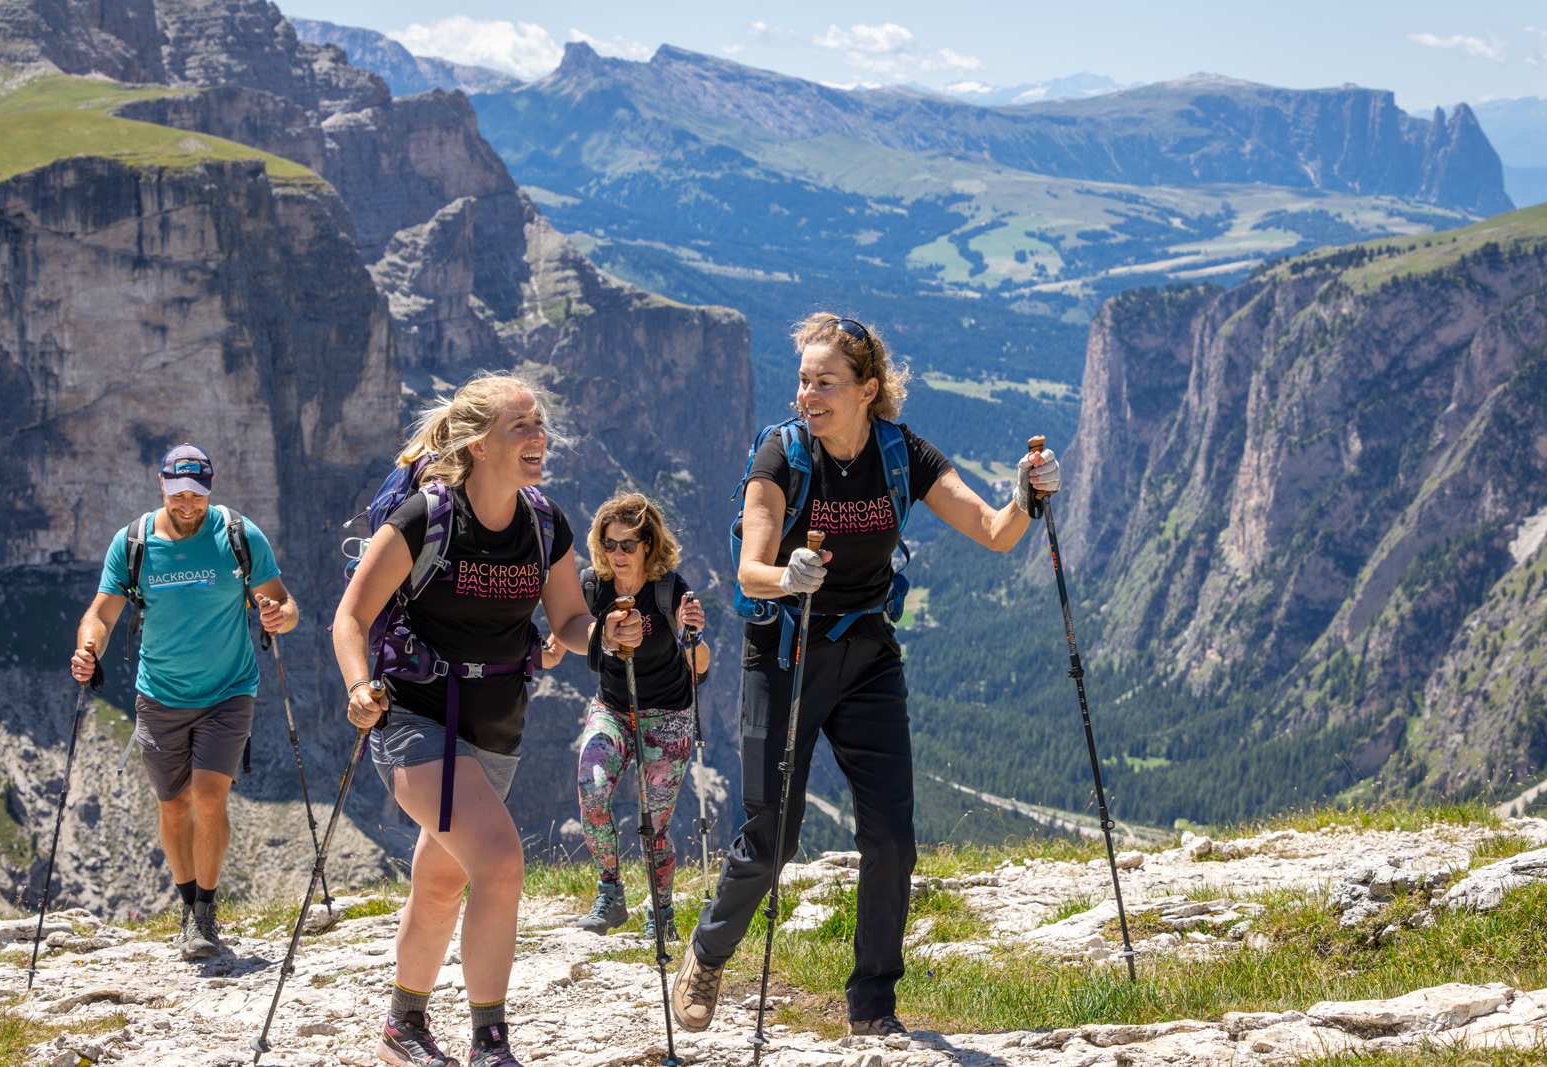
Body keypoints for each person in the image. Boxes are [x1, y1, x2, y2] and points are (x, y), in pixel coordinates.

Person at [670, 313, 1061, 1037]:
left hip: (867, 656)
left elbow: (995, 531)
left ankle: (872, 1005)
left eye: (824, 383)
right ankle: (707, 951)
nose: (807, 395)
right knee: (771, 838)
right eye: (803, 381)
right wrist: (789, 575)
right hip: (783, 655)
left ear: (867, 389)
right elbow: (748, 571)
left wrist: (1028, 494)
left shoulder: (900, 453)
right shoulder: (780, 456)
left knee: (891, 837)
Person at [332, 372, 644, 1067]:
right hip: (413, 716)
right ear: (478, 444)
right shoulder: (424, 517)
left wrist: (605, 635)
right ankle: (490, 1044)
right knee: (500, 862)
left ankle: (401, 1027)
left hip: (498, 724)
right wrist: (359, 686)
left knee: (443, 883)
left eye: (539, 424)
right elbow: (350, 616)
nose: (539, 439)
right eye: (521, 428)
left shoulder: (544, 520)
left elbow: (567, 618)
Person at [71, 444, 298, 961]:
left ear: (211, 488)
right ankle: (186, 903)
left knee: (209, 795)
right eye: (178, 495)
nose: (188, 504)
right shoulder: (133, 542)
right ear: (161, 486)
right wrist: (88, 650)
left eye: (197, 494)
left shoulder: (240, 535)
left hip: (229, 690)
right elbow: (101, 615)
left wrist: (278, 616)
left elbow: (284, 601)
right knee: (173, 806)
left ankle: (204, 916)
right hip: (161, 694)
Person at [566, 493, 710, 941]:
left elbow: (700, 665)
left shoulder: (670, 590)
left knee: (655, 825)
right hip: (612, 708)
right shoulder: (594, 586)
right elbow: (570, 628)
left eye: (628, 545)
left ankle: (661, 912)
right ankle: (610, 892)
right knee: (592, 790)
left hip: (667, 716)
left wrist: (694, 635)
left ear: (648, 544)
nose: (617, 554)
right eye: (609, 545)